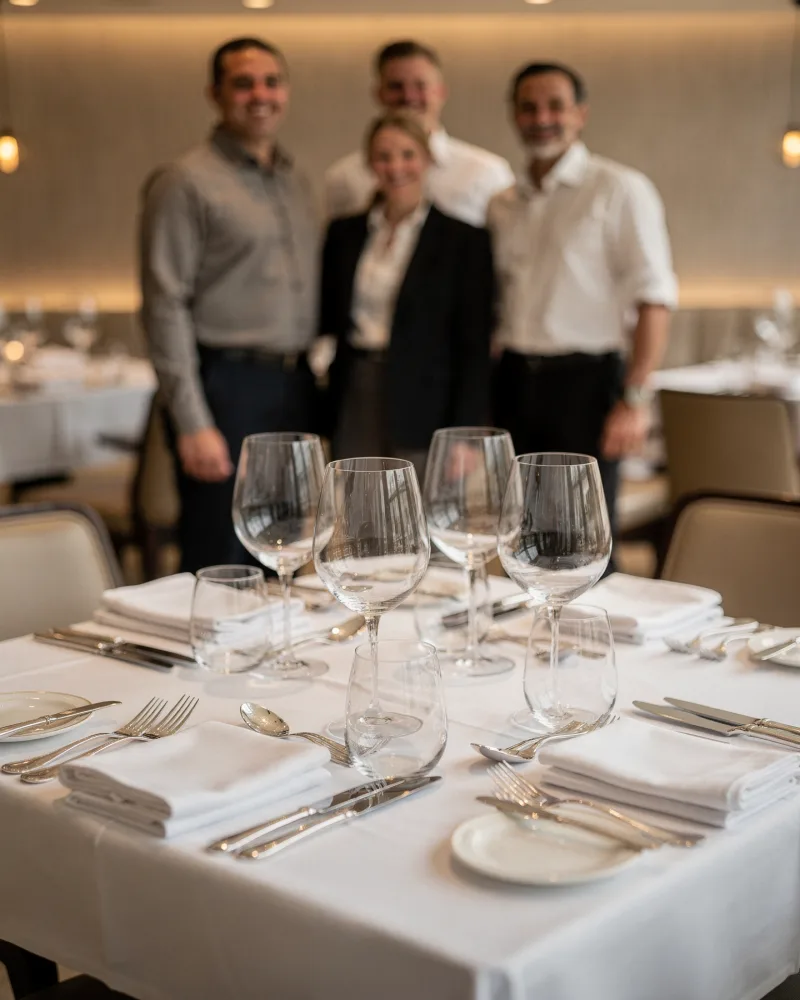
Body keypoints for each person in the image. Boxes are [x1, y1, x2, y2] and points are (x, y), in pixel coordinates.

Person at [139, 37, 319, 573]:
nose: (259, 94)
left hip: (293, 386)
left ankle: (276, 656)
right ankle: (213, 657)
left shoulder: (295, 179)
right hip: (224, 387)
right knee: (222, 552)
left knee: (287, 549)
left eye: (271, 81)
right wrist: (192, 421)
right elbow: (163, 303)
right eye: (243, 83)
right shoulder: (184, 181)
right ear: (215, 94)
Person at [489, 61, 678, 531]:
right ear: (514, 115)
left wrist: (634, 399)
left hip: (587, 384)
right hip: (513, 382)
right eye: (528, 107)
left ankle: (591, 608)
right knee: (523, 532)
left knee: (583, 534)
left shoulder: (618, 188)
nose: (541, 117)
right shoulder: (502, 203)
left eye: (556, 105)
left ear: (581, 114)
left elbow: (654, 298)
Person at [320, 111, 494, 477]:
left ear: (428, 160)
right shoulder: (344, 233)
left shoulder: (464, 240)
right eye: (384, 156)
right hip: (356, 388)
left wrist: (464, 434)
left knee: (417, 518)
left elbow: (474, 345)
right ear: (371, 164)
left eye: (407, 154)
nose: (396, 166)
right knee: (357, 510)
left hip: (427, 398)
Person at [324, 40, 514, 226]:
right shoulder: (344, 177)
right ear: (379, 94)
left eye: (420, 85)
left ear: (441, 92)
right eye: (395, 86)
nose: (408, 96)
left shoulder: (486, 173)